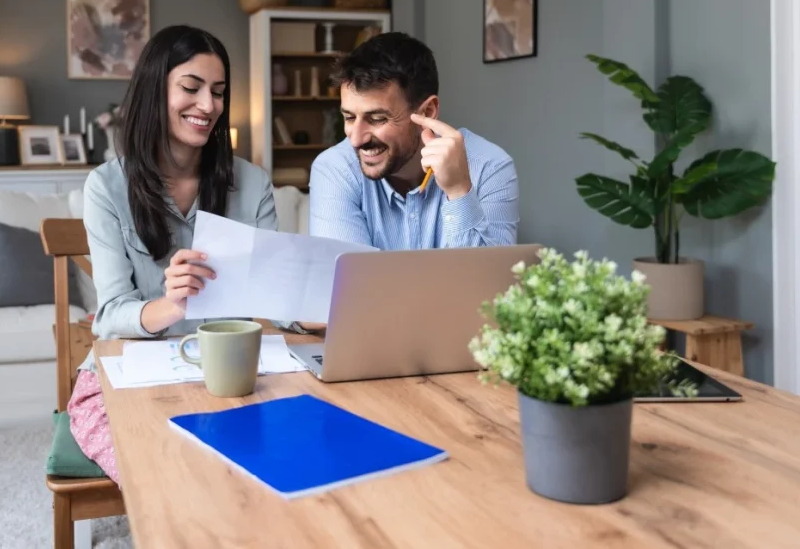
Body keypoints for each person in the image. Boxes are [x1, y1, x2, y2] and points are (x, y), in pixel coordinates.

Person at [68, 25, 296, 486]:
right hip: (130, 376)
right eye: (191, 88)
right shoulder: (107, 187)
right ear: (155, 91)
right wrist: (172, 305)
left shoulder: (251, 184)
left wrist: (314, 306)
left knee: (293, 450)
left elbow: (279, 299)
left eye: (218, 92)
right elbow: (109, 316)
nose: (208, 106)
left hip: (232, 373)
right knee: (174, 472)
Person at [308, 31, 519, 250]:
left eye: (378, 119)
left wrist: (458, 191)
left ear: (427, 112)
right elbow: (350, 281)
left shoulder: (489, 166)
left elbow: (489, 281)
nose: (356, 139)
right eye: (350, 117)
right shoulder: (335, 169)